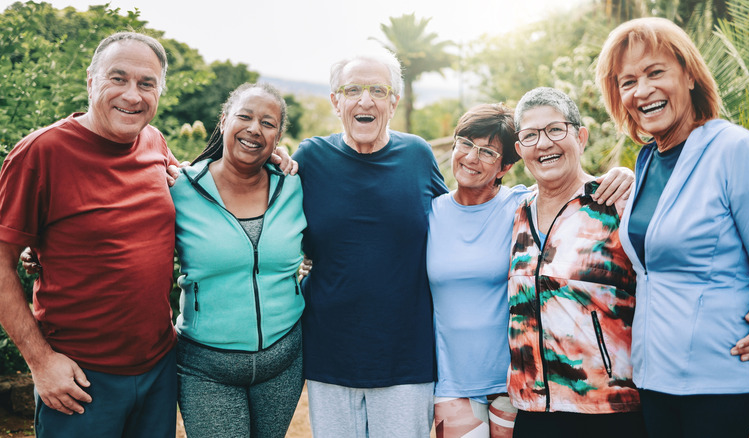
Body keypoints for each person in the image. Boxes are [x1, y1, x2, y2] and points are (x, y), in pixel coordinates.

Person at [595, 17, 749, 437]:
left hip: (724, 391)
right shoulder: (645, 163)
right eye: (628, 81)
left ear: (691, 75)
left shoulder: (737, 150)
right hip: (655, 387)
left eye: (656, 72)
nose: (642, 91)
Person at [0, 32, 179, 437]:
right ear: (91, 81)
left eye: (146, 83)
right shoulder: (40, 154)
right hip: (80, 378)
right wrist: (40, 362)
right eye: (118, 78)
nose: (132, 95)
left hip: (158, 368)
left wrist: (275, 162)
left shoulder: (154, 142)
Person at [427, 103, 634, 438]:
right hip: (455, 380)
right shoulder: (430, 212)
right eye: (465, 144)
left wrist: (624, 176)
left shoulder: (517, 204)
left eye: (487, 152)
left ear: (507, 165)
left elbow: (570, 185)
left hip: (516, 381)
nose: (471, 157)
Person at [292, 50, 448, 437]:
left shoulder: (417, 154)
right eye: (353, 89)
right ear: (336, 101)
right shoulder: (310, 158)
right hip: (330, 353)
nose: (365, 100)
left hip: (406, 356)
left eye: (378, 90)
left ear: (394, 102)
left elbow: (464, 213)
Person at [506, 87, 645, 438]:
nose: (544, 143)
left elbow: (679, 267)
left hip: (608, 410)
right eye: (531, 135)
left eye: (556, 129)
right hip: (532, 410)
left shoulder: (616, 203)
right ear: (520, 150)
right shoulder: (514, 212)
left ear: (580, 137)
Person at [171, 82, 306, 438]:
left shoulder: (293, 186)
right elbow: (126, 239)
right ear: (223, 122)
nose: (254, 129)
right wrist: (49, 252)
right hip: (206, 366)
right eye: (244, 117)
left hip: (284, 360)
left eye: (268, 123)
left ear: (278, 138)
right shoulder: (179, 188)